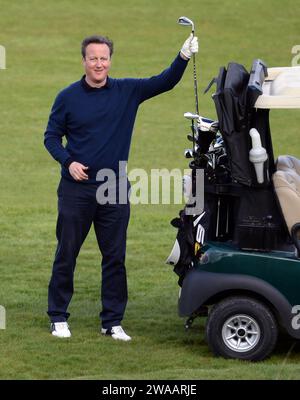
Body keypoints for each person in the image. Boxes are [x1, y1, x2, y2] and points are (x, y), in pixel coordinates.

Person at [44, 33, 198, 341]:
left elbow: (164, 81)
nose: (98, 64)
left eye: (103, 58)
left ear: (109, 61)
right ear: (84, 61)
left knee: (114, 257)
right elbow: (51, 136)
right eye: (93, 58)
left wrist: (183, 55)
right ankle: (58, 316)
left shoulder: (127, 91)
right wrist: (67, 161)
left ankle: (112, 322)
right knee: (67, 252)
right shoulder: (67, 97)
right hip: (77, 189)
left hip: (114, 188)